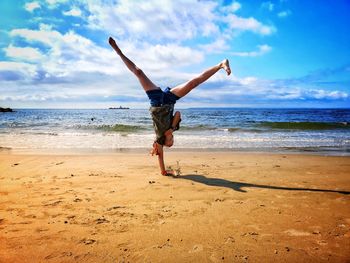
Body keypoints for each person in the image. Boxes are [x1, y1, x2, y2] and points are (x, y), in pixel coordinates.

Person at [109, 37, 231, 176]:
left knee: (139, 72)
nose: (172, 139)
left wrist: (165, 171)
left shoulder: (159, 139)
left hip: (155, 100)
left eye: (170, 141)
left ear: (165, 142)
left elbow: (161, 165)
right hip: (169, 100)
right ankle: (220, 65)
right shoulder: (174, 128)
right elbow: (178, 113)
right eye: (172, 140)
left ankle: (118, 51)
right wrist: (172, 128)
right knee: (192, 83)